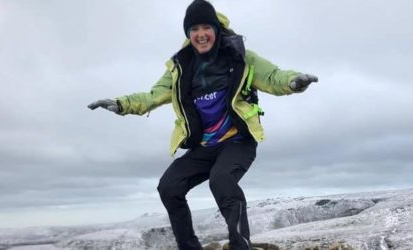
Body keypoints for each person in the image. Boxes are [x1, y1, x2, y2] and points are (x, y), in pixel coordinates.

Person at [88, 1, 318, 249]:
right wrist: (121, 104)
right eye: (194, 28)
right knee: (168, 186)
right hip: (203, 147)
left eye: (206, 27)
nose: (200, 34)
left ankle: (241, 246)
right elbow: (152, 96)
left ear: (216, 29)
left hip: (237, 141)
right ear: (188, 33)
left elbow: (274, 77)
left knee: (221, 181)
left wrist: (294, 81)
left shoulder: (240, 56)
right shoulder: (181, 66)